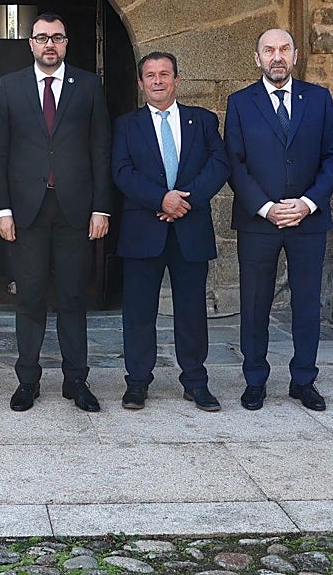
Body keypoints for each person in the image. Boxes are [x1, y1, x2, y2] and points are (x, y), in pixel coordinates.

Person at [0, 13, 112, 413]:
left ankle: (76, 380)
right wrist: (1, 209)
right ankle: (27, 380)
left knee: (73, 297)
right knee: (29, 297)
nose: (49, 44)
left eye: (57, 37)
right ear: (30, 43)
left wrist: (101, 208)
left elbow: (100, 148)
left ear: (66, 43)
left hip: (75, 209)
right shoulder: (9, 86)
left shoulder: (88, 85)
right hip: (26, 210)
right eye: (42, 37)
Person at [225, 27, 333, 412]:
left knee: (306, 304)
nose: (277, 56)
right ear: (256, 58)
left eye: (284, 49)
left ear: (294, 55)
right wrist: (266, 207)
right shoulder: (240, 103)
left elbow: (332, 158)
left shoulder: (319, 99)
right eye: (268, 50)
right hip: (258, 222)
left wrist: (307, 203)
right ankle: (255, 380)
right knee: (254, 304)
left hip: (307, 222)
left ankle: (304, 380)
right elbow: (234, 163)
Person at [112, 52, 229, 412]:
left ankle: (195, 382)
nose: (158, 80)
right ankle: (137, 383)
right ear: (141, 83)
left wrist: (184, 201)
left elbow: (219, 164)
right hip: (143, 230)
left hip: (190, 229)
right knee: (139, 312)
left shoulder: (203, 120)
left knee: (192, 310)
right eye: (150, 75)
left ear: (177, 79)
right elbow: (121, 171)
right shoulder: (126, 125)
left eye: (164, 74)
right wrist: (161, 199)